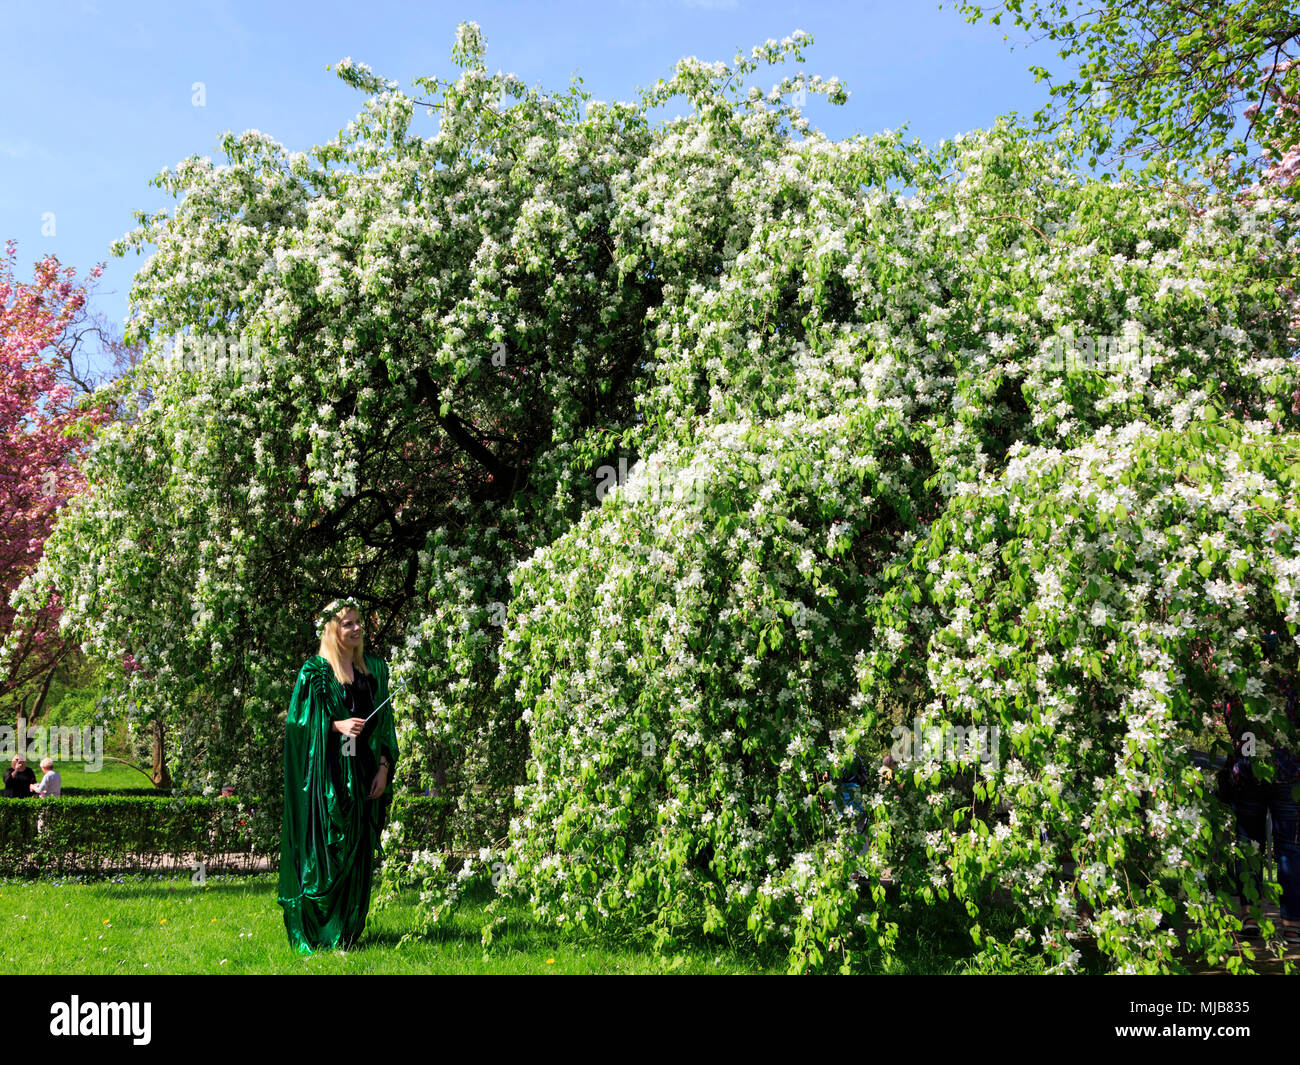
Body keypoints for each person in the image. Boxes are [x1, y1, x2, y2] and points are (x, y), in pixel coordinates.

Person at [277, 597, 399, 954]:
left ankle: (345, 933)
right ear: (332, 629)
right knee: (328, 852)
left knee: (357, 852)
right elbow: (298, 727)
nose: (357, 628)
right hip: (326, 780)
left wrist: (382, 768)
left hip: (363, 774)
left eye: (359, 621)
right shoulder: (315, 672)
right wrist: (335, 725)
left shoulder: (374, 670)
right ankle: (317, 932)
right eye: (348, 623)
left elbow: (385, 725)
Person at [1222, 632, 1300, 946]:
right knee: (1290, 850)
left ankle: (1250, 917)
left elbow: (1230, 722)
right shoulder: (1292, 685)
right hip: (1288, 774)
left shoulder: (1242, 684)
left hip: (1249, 775)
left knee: (1248, 848)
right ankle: (1293, 925)